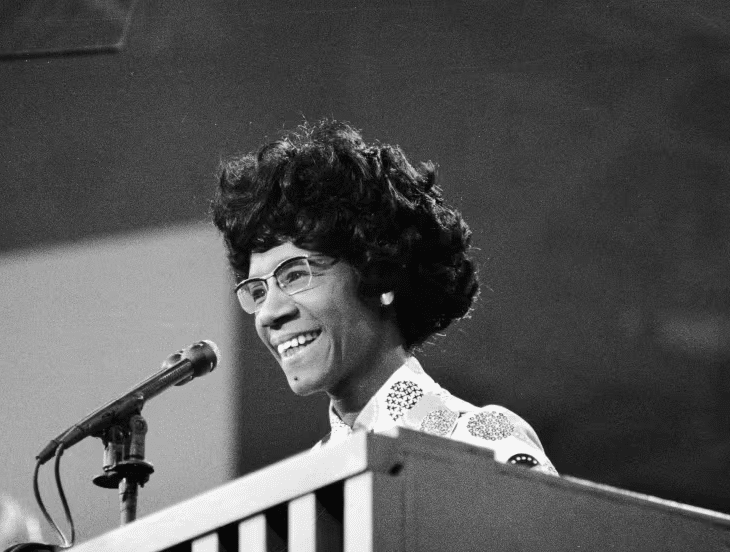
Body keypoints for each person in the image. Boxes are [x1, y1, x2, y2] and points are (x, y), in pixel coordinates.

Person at [211, 119, 556, 474]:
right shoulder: (299, 488)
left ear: (381, 275)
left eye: (295, 275)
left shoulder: (480, 440)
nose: (269, 312)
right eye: (257, 290)